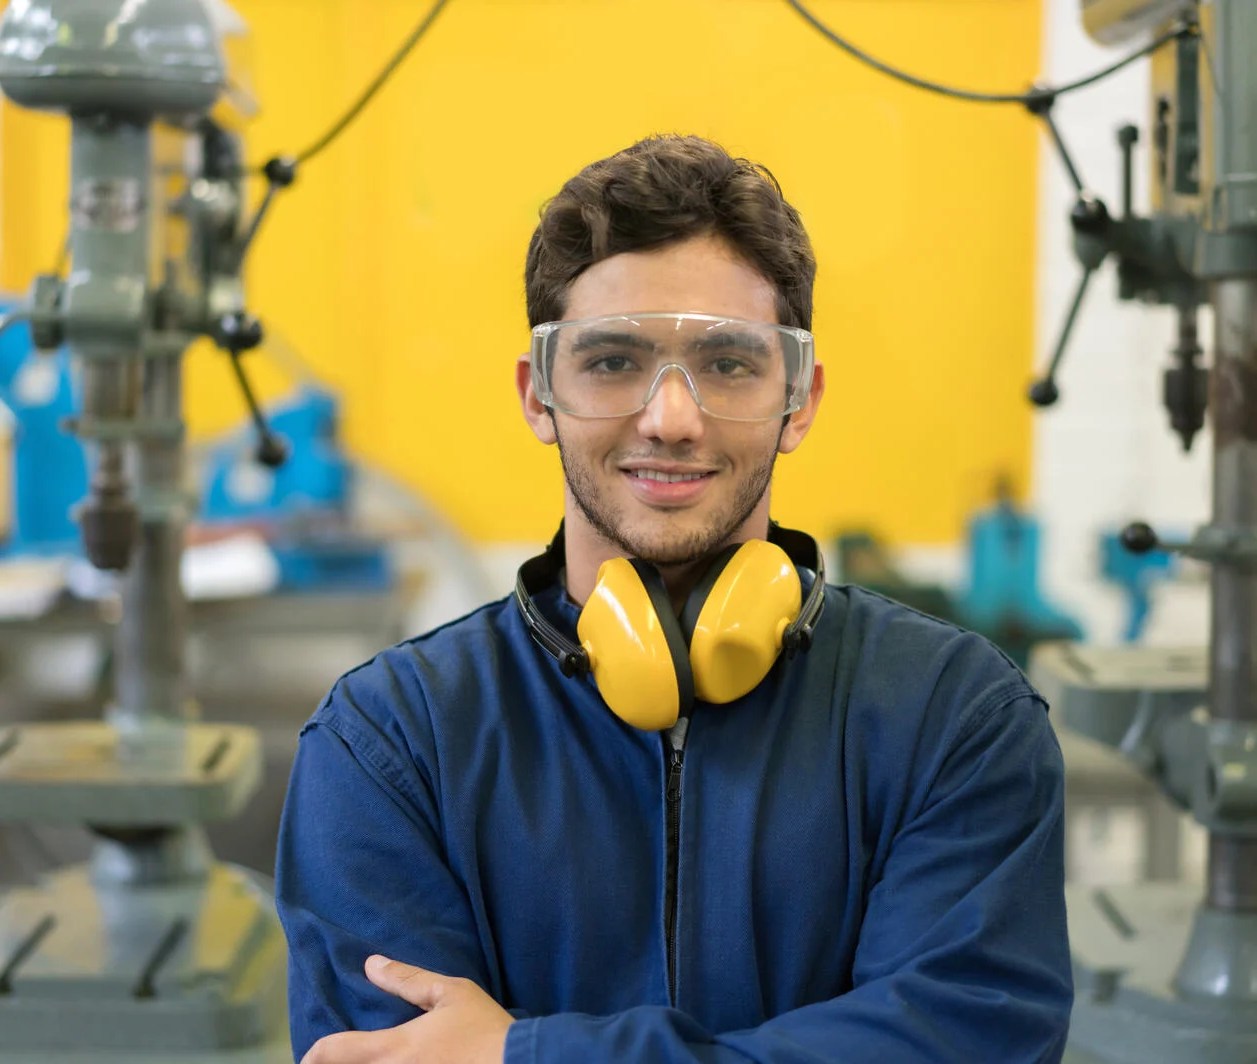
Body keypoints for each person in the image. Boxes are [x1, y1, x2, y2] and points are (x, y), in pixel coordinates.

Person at [276, 134, 1073, 1064]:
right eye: (613, 361)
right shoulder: (390, 741)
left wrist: (522, 1054)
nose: (671, 417)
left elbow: (966, 1042)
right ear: (539, 397)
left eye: (730, 364)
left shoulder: (954, 715)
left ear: (799, 401)